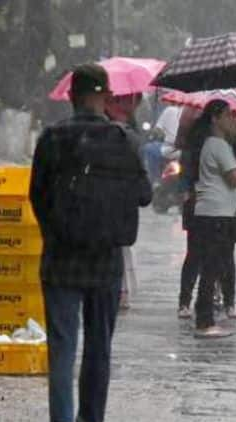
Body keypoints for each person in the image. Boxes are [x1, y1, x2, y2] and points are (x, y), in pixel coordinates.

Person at [29, 63, 152, 422]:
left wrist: (56, 232)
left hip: (61, 259)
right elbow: (145, 196)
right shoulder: (126, 140)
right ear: (107, 96)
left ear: (71, 95)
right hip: (105, 261)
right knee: (99, 345)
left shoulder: (51, 138)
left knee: (62, 346)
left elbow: (38, 196)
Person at [188, 99, 236, 337]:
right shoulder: (218, 145)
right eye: (228, 115)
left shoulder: (214, 144)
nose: (233, 119)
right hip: (216, 214)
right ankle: (204, 321)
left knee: (213, 267)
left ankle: (205, 316)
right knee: (212, 268)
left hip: (214, 213)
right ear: (215, 119)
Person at [106, 93, 144, 312]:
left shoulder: (131, 129)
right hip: (115, 207)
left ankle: (121, 291)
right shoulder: (117, 134)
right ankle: (118, 291)